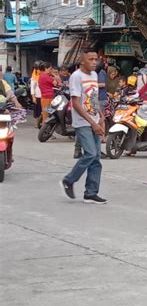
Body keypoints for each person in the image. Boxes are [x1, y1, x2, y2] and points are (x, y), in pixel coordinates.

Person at [60, 49, 107, 204]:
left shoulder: (94, 75)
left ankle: (91, 192)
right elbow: (76, 103)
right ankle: (69, 180)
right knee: (90, 154)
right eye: (91, 59)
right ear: (82, 61)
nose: (95, 62)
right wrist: (92, 123)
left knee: (97, 158)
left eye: (96, 59)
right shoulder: (76, 77)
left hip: (94, 119)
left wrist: (100, 117)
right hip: (82, 122)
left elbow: (93, 98)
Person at [30, 61, 43, 127]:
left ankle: (43, 123)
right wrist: (33, 97)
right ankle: (36, 124)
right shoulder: (34, 76)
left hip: (44, 96)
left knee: (43, 110)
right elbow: (32, 88)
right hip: (37, 96)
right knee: (37, 110)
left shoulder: (44, 75)